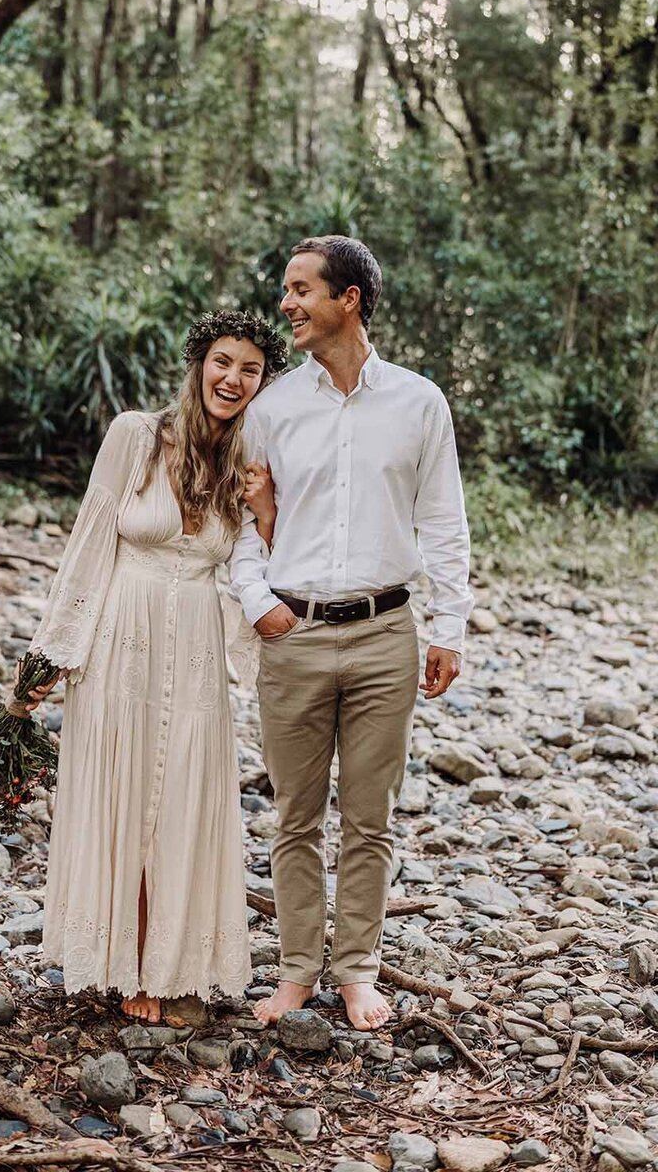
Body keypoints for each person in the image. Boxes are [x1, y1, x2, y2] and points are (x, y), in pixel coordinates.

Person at [230, 236, 474, 1031]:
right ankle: (298, 973)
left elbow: (443, 523)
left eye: (301, 290)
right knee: (294, 816)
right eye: (286, 289)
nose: (286, 304)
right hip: (292, 633)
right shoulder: (269, 409)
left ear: (350, 299)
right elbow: (240, 525)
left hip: (385, 636)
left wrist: (449, 628)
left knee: (372, 817)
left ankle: (359, 971)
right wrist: (258, 601)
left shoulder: (418, 402)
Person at [22, 310, 286, 1023]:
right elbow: (91, 538)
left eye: (250, 369)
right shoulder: (136, 435)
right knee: (129, 789)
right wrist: (54, 652)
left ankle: (175, 965)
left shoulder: (251, 459)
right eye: (223, 362)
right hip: (123, 636)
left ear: (263, 382)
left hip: (197, 639)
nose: (233, 379)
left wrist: (264, 516)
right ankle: (125, 963)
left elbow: (256, 567)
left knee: (184, 795)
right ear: (200, 362)